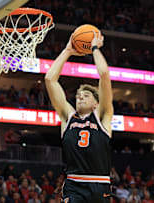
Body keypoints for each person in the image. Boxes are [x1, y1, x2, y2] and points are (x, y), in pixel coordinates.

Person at [45, 31, 113, 203]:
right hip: (74, 184)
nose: (80, 97)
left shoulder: (102, 117)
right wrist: (67, 50)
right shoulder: (68, 117)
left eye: (86, 95)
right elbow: (50, 79)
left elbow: (104, 76)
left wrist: (95, 48)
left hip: (100, 184)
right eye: (78, 96)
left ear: (96, 103)